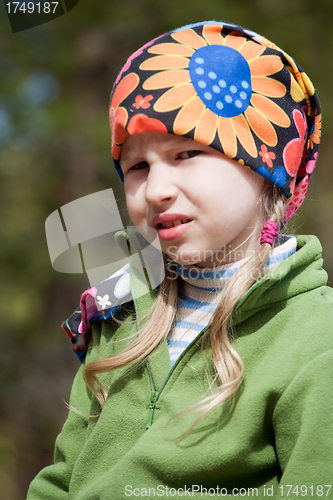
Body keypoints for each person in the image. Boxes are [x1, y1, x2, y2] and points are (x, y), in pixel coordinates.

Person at [27, 21, 333, 500]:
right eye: (137, 167)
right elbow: (63, 479)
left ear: (265, 170)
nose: (156, 189)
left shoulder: (315, 337)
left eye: (187, 152)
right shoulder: (117, 314)